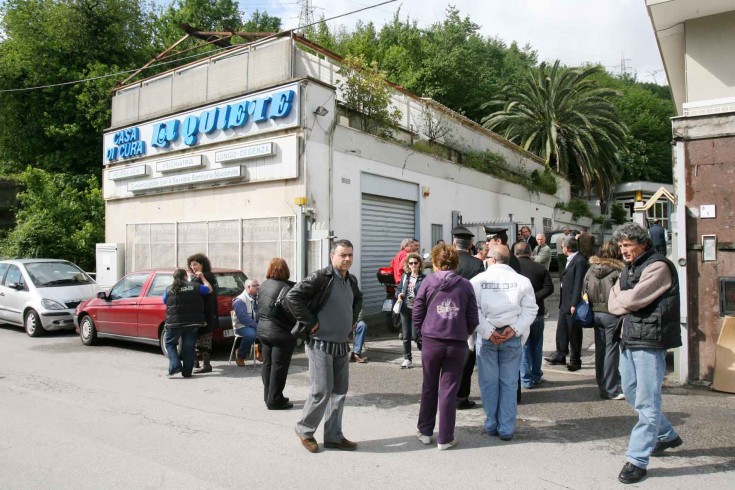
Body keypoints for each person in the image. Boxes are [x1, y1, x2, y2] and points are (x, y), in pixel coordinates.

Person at [608, 223, 682, 484]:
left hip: (650, 340)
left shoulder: (658, 267)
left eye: (628, 245)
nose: (623, 251)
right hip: (629, 338)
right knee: (630, 392)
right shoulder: (630, 268)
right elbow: (612, 300)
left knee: (647, 401)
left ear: (643, 244)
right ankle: (667, 435)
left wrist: (622, 298)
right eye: (621, 246)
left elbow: (628, 300)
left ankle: (637, 460)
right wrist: (622, 298)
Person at [286, 239, 363, 453]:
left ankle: (333, 436)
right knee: (321, 390)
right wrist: (310, 322)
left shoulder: (351, 280)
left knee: (339, 391)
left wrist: (351, 320)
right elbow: (292, 296)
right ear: (332, 257)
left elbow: (357, 299)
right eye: (343, 255)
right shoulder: (321, 277)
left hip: (340, 343)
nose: (347, 259)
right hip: (320, 343)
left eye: (350, 254)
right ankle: (304, 430)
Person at [413, 244, 478, 450]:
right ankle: (445, 437)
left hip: (432, 340)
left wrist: (421, 332)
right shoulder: (466, 285)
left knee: (429, 386)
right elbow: (473, 318)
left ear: (435, 262)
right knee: (449, 389)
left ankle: (424, 431)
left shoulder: (428, 282)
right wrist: (462, 332)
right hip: (457, 342)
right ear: (456, 263)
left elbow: (417, 310)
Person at [471, 245, 537, 441]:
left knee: (488, 382)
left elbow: (472, 310)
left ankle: (492, 424)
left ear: (491, 260)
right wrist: (515, 328)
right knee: (509, 383)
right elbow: (531, 310)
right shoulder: (522, 281)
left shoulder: (477, 281)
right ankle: (506, 428)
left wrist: (488, 331)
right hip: (511, 335)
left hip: (488, 335)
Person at [583, 241, 625, 400]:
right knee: (611, 352)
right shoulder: (618, 270)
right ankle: (611, 388)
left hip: (595, 313)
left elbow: (584, 290)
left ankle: (602, 384)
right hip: (612, 313)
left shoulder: (591, 269)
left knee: (600, 351)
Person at [256, 258, 297, 410]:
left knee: (267, 364)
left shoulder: (263, 285)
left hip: (263, 330)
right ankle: (275, 399)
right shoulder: (287, 288)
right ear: (285, 270)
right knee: (279, 366)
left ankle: (269, 395)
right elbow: (291, 312)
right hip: (281, 333)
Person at [451, 226, 484, 410]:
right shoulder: (476, 264)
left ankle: (448, 393)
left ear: (454, 243)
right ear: (471, 244)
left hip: (447, 314)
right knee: (467, 356)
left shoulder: (448, 261)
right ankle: (461, 396)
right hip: (469, 315)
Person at [545, 236, 589, 371]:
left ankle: (575, 360)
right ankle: (560, 354)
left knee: (574, 332)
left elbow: (578, 284)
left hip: (572, 302)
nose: (562, 248)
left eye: (563, 246)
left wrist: (574, 303)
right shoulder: (570, 259)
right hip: (564, 301)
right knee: (562, 329)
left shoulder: (580, 260)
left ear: (567, 247)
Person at [514, 242, 554, 389]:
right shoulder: (540, 267)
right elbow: (549, 288)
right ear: (530, 253)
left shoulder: (513, 269)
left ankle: (525, 379)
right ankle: (536, 375)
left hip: (519, 313)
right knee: (537, 345)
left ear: (515, 253)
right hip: (537, 311)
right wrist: (535, 297)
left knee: (523, 346)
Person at [163, 268, 212, 378]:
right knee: (188, 347)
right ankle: (187, 372)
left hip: (173, 323)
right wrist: (203, 278)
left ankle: (175, 366)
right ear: (185, 276)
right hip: (192, 323)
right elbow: (209, 289)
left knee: (170, 344)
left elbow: (165, 301)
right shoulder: (195, 286)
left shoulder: (168, 289)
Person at [188, 253, 218, 374]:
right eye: (191, 265)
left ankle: (206, 365)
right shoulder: (198, 277)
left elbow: (208, 291)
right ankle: (196, 361)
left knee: (204, 336)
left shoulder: (207, 276)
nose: (193, 266)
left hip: (205, 311)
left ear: (202, 264)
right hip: (200, 311)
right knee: (197, 336)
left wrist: (201, 278)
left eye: (195, 264)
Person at [395, 252, 426, 368]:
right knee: (406, 335)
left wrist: (419, 299)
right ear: (408, 264)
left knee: (415, 335)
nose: (413, 265)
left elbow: (426, 294)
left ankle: (426, 354)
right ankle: (407, 358)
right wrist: (398, 295)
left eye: (415, 263)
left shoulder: (423, 278)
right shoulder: (405, 277)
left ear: (419, 264)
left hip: (417, 310)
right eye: (411, 263)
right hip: (405, 308)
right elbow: (398, 289)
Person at [232, 279, 259, 367]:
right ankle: (240, 355)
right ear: (248, 287)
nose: (258, 287)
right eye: (255, 286)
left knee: (269, 330)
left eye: (258, 285)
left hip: (254, 324)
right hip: (241, 326)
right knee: (251, 335)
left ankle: (259, 349)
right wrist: (257, 326)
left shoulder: (258, 297)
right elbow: (243, 318)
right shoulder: (240, 300)